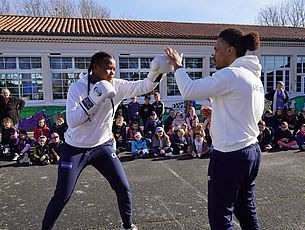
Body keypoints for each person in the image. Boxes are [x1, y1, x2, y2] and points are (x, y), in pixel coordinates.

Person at [42, 51, 172, 230]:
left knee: (123, 187)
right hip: (75, 148)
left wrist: (157, 72)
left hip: (102, 146)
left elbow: (144, 86)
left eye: (114, 69)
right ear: (95, 68)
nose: (112, 73)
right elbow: (72, 121)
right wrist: (94, 99)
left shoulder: (117, 85)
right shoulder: (77, 88)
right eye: (108, 69)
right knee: (62, 195)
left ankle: (127, 226)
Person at [165, 27, 264, 229]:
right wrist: (217, 115)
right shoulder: (253, 78)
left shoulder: (231, 75)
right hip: (251, 152)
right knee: (246, 209)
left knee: (220, 219)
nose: (213, 54)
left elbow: (189, 90)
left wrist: (177, 66)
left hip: (230, 156)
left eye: (216, 49)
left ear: (230, 51)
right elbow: (247, 115)